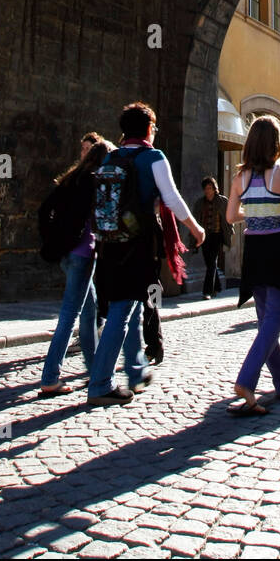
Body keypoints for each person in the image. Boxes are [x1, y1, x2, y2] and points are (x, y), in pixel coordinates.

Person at [87, 102, 205, 408]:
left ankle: (137, 371)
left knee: (133, 307)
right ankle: (100, 384)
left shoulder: (110, 157)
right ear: (150, 128)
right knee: (123, 311)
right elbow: (172, 198)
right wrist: (195, 227)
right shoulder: (152, 156)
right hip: (136, 245)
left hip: (109, 243)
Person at [226, 114, 280, 416]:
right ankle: (246, 380)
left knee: (265, 320)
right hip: (279, 249)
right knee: (274, 318)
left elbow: (231, 217)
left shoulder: (239, 178)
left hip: (254, 250)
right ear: (277, 144)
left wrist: (255, 213)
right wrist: (277, 208)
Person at [38, 132, 110, 397]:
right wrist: (81, 236)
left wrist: (53, 240)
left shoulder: (70, 179)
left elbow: (44, 211)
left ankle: (95, 372)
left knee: (89, 312)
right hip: (82, 254)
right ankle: (50, 377)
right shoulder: (94, 182)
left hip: (67, 255)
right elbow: (101, 220)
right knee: (69, 316)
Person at [194, 176, 233, 298]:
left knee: (211, 263)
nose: (207, 191)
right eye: (205, 188)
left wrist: (228, 232)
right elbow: (196, 219)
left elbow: (228, 218)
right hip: (205, 236)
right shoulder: (200, 203)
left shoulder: (222, 201)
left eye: (210, 188)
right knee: (209, 263)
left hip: (217, 235)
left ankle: (207, 292)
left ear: (214, 189)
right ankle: (217, 287)